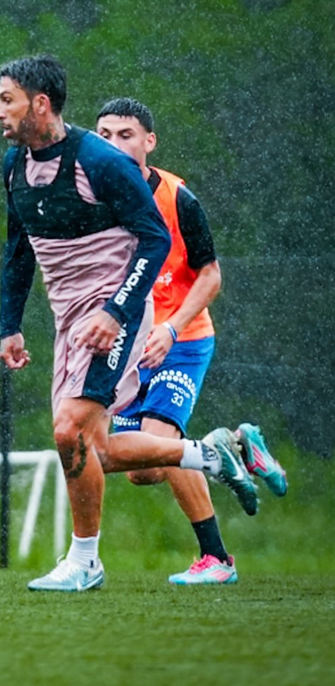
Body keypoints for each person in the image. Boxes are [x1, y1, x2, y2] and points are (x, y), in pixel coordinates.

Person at [0, 55, 260, 593]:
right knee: (94, 448)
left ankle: (86, 560)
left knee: (68, 430)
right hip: (70, 321)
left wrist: (115, 311)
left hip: (116, 314)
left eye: (6, 99)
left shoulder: (99, 161)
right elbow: (17, 250)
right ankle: (210, 453)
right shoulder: (13, 165)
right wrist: (9, 325)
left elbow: (155, 239)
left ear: (39, 104)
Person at [95, 97, 288, 585]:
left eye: (126, 135)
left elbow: (211, 276)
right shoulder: (93, 198)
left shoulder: (178, 197)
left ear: (149, 141)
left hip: (183, 339)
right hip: (128, 345)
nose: (114, 145)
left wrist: (172, 326)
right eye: (104, 136)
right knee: (140, 467)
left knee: (162, 446)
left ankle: (218, 560)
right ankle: (233, 446)